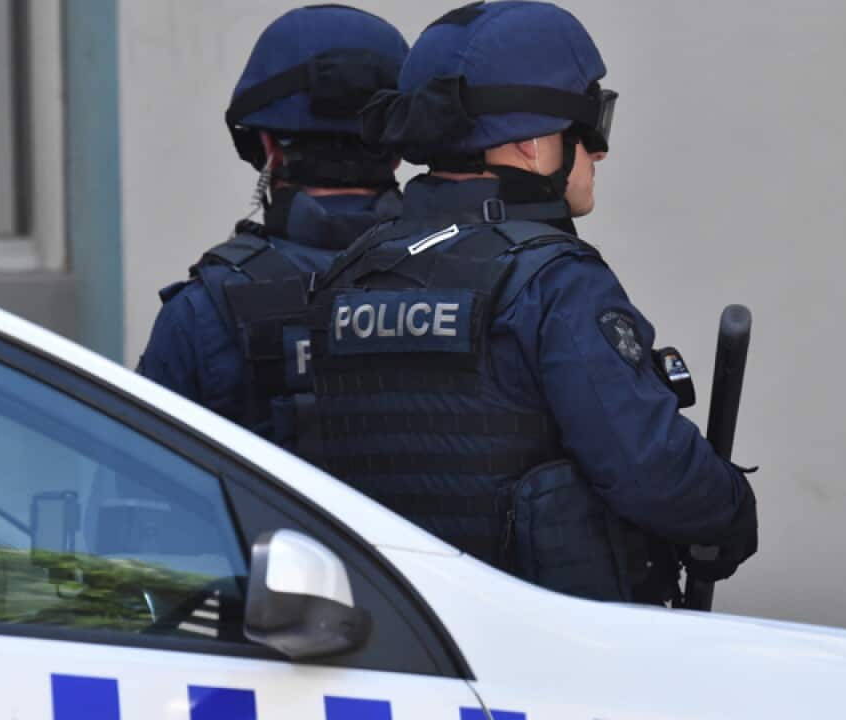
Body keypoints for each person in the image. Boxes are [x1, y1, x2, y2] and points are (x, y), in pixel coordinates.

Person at [299, 0, 758, 604]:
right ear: (530, 142)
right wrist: (728, 511)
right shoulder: (553, 282)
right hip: (551, 660)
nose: (598, 152)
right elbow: (652, 473)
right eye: (589, 125)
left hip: (404, 653)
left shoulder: (347, 275)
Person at [137, 5, 409, 447]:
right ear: (398, 150)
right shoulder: (485, 285)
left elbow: (141, 494)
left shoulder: (201, 312)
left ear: (268, 147)